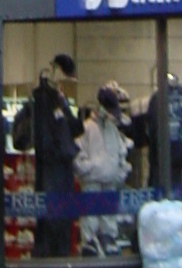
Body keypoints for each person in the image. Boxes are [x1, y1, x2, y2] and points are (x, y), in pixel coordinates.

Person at [21, 55, 83, 257]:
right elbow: (45, 140)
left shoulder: (57, 99)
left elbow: (75, 128)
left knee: (60, 223)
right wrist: (60, 152)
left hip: (60, 170)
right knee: (51, 224)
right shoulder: (42, 99)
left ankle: (56, 257)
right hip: (52, 171)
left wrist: (67, 107)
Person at [75, 84, 132, 257]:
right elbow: (77, 156)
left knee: (108, 216)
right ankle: (90, 243)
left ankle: (107, 239)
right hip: (93, 181)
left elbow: (122, 153)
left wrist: (119, 173)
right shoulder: (86, 128)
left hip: (109, 181)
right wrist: (92, 169)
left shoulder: (113, 130)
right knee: (90, 216)